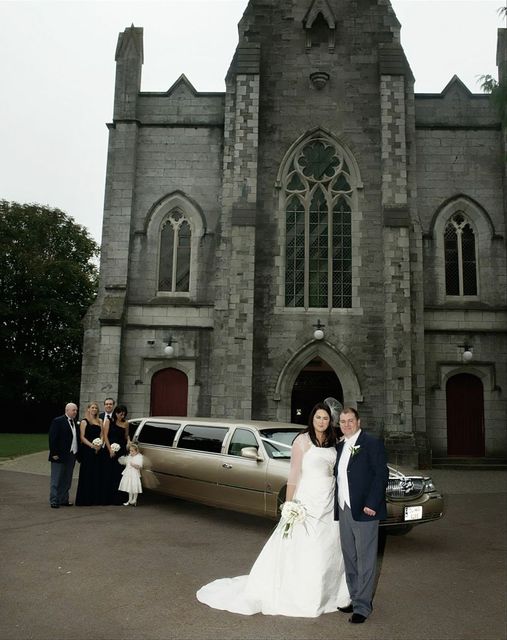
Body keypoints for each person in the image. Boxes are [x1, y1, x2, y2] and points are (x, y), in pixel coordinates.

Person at [196, 402, 349, 617]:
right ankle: (302, 594)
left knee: (329, 545)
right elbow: (294, 476)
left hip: (328, 499)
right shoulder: (302, 441)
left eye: (325, 418)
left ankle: (330, 593)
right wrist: (289, 504)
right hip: (307, 500)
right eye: (318, 418)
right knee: (306, 544)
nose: (322, 422)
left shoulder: (334, 441)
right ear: (312, 419)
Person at [334, 407, 389, 624]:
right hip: (344, 508)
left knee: (366, 559)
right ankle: (354, 597)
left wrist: (371, 503)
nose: (346, 424)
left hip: (365, 509)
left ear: (358, 422)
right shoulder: (340, 446)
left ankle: (363, 607)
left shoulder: (371, 443)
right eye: (342, 421)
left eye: (350, 421)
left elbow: (381, 474)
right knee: (350, 557)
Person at [48, 402, 79, 508]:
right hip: (59, 455)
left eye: (76, 410)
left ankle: (63, 499)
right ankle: (54, 500)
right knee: (56, 479)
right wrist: (54, 453)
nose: (75, 412)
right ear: (67, 410)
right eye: (73, 410)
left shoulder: (75, 422)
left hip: (71, 455)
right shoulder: (58, 421)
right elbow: (52, 438)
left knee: (67, 479)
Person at [75, 401, 106, 506]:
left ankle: (95, 499)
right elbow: (82, 437)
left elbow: (102, 434)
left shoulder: (100, 421)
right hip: (88, 450)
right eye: (92, 408)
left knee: (97, 473)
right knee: (87, 474)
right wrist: (92, 446)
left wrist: (100, 444)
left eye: (96, 408)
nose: (94, 409)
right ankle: (85, 499)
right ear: (88, 409)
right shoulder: (84, 421)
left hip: (98, 451)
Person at [103, 404, 130, 505]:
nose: (121, 416)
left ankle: (119, 498)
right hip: (110, 450)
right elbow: (105, 436)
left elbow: (126, 436)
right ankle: (108, 498)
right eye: (119, 414)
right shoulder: (109, 421)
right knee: (109, 473)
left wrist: (129, 442)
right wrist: (110, 449)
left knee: (119, 474)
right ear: (116, 413)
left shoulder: (126, 423)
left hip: (121, 451)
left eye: (123, 414)